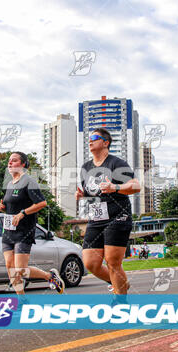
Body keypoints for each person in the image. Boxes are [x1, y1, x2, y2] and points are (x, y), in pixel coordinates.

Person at [76, 128, 140, 301]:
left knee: (112, 262)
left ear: (106, 143)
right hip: (96, 218)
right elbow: (96, 193)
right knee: (90, 263)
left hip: (118, 216)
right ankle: (121, 283)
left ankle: (121, 302)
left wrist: (116, 187)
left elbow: (136, 186)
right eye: (89, 139)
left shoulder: (116, 163)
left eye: (95, 138)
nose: (90, 141)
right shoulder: (86, 167)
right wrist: (83, 195)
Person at [0, 151, 65, 297]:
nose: (10, 163)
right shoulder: (9, 184)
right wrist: (2, 208)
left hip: (23, 231)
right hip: (8, 231)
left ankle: (49, 276)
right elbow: (11, 206)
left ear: (23, 164)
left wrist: (23, 213)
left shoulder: (29, 181)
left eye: (14, 161)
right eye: (9, 160)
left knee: (20, 269)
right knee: (10, 266)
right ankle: (21, 299)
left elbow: (41, 203)